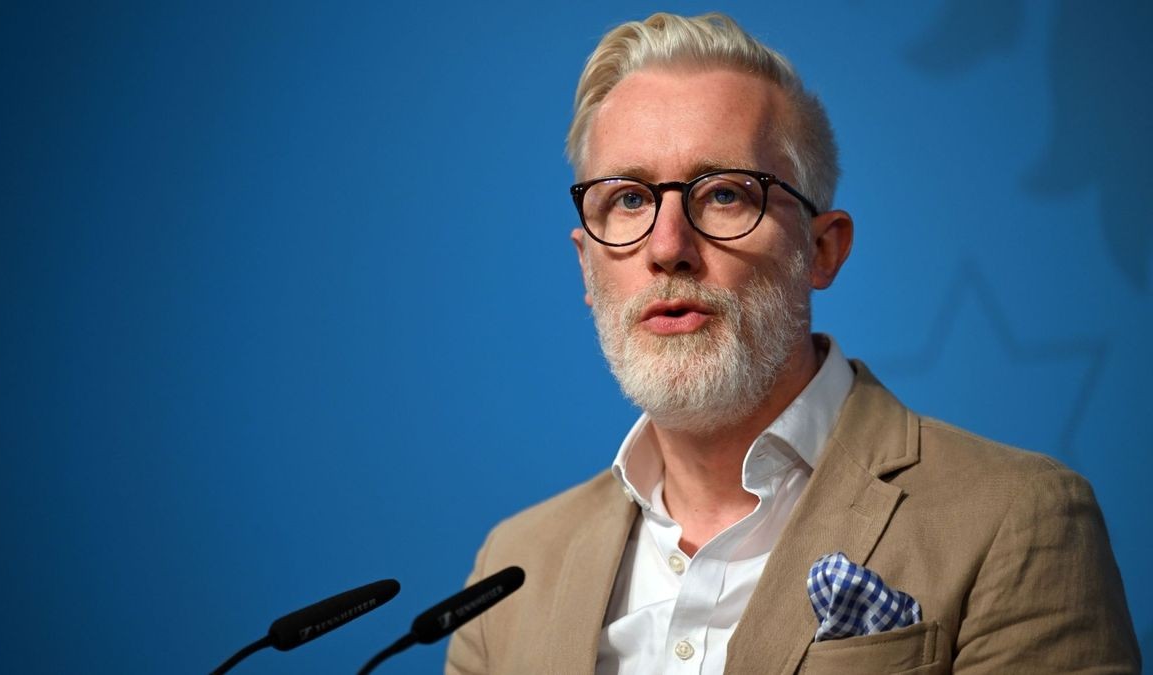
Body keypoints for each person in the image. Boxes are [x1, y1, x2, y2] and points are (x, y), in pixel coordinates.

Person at [446, 12, 1140, 674]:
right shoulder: (510, 569)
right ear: (587, 267)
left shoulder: (1019, 519)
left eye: (723, 194)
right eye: (628, 198)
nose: (667, 248)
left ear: (821, 248)